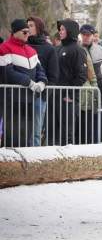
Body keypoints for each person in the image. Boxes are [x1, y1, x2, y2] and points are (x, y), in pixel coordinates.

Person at [0, 19, 47, 146]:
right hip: (12, 99)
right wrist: (30, 83)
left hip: (29, 99)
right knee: (12, 135)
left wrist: (42, 82)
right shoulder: (4, 48)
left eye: (28, 32)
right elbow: (8, 72)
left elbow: (40, 70)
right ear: (15, 32)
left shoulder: (32, 50)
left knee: (27, 135)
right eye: (24, 32)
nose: (28, 34)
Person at [52, 19, 87, 146]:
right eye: (59, 29)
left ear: (70, 31)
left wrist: (70, 95)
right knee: (54, 133)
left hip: (68, 99)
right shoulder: (57, 49)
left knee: (67, 134)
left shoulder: (78, 50)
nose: (60, 32)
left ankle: (67, 162)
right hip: (54, 96)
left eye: (62, 29)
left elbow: (82, 76)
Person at [27, 16, 59, 146]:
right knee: (21, 128)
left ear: (38, 27)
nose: (28, 28)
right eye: (27, 25)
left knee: (35, 131)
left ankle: (35, 158)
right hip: (21, 94)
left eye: (31, 25)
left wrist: (46, 94)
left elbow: (53, 75)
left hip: (39, 96)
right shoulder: (24, 45)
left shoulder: (48, 48)